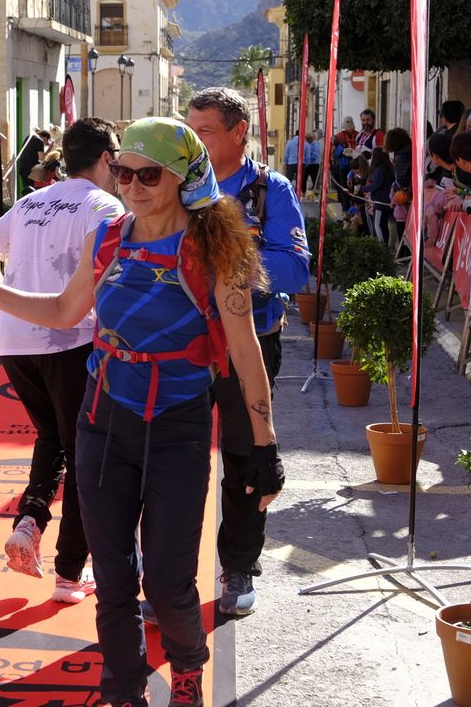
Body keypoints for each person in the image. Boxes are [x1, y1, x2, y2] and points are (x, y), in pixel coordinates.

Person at [0, 117, 283, 707]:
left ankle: (187, 664)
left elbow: (243, 348)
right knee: (112, 581)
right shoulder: (107, 236)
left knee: (167, 583)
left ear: (184, 177)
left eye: (148, 173)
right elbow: (63, 311)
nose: (132, 184)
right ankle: (123, 691)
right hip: (103, 419)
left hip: (179, 427)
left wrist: (265, 445)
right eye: (123, 170)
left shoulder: (215, 249)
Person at [0, 117, 124, 604]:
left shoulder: (32, 201)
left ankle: (30, 521)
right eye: (116, 161)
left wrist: (0, 294)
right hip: (70, 336)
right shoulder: (104, 205)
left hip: (13, 338)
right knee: (84, 450)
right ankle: (70, 572)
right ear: (103, 159)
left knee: (54, 438)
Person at [185, 88, 310, 617]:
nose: (194, 141)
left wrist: (230, 267)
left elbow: (296, 269)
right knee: (177, 461)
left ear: (239, 131)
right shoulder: (177, 184)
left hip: (252, 345)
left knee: (244, 457)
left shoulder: (269, 191)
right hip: (183, 348)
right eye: (190, 130)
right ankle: (169, 574)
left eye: (205, 131)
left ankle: (238, 566)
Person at [301, 131, 322, 196]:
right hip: (308, 164)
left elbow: (316, 155)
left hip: (314, 164)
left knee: (314, 180)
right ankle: (303, 192)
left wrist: (308, 156)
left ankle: (316, 194)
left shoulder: (315, 145)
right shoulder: (309, 144)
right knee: (304, 179)